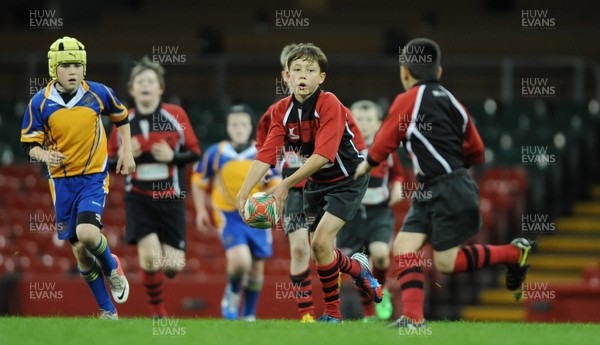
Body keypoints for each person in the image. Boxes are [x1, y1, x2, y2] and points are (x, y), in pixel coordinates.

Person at [354, 38, 532, 329]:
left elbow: (385, 139)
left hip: (446, 188)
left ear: (404, 73)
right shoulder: (453, 102)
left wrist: (366, 165)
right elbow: (477, 149)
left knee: (447, 264)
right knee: (404, 245)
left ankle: (514, 254)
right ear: (439, 72)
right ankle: (413, 320)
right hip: (442, 186)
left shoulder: (408, 99)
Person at [236, 43, 383, 323]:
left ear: (321, 77)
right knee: (318, 249)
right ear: (287, 77)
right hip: (314, 182)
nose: (303, 75)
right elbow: (266, 152)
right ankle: (358, 270)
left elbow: (324, 156)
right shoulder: (280, 111)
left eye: (310, 70)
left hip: (347, 179)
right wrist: (243, 193)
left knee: (320, 242)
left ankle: (332, 314)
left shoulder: (330, 104)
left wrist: (283, 185)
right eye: (297, 70)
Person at [20, 36, 134, 319]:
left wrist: (127, 152)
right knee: (81, 253)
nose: (73, 71)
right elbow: (29, 145)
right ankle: (108, 311)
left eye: (77, 65)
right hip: (61, 183)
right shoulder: (40, 102)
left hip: (93, 177)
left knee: (87, 234)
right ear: (54, 69)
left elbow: (121, 117)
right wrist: (44, 156)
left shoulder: (98, 93)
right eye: (66, 65)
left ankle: (112, 267)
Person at [107, 56, 201, 318]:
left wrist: (172, 157)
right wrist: (127, 156)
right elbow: (107, 162)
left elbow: (195, 152)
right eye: (140, 81)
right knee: (149, 258)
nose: (146, 85)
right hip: (138, 199)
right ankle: (158, 311)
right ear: (132, 89)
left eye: (151, 81)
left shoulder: (176, 115)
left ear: (160, 88)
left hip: (170, 200)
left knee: (172, 266)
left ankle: (165, 266)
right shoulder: (122, 121)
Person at [192, 105, 280, 321]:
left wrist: (269, 190)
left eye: (243, 124)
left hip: (258, 216)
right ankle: (232, 291)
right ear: (228, 127)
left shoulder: (263, 152)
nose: (239, 129)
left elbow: (277, 182)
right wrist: (201, 210)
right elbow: (198, 180)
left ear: (251, 127)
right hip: (228, 214)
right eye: (234, 124)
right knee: (241, 261)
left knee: (257, 268)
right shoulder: (216, 152)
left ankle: (249, 314)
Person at [337, 100, 404, 322]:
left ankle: (381, 291)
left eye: (368, 120)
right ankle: (368, 312)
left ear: (378, 124)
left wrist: (397, 187)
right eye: (358, 119)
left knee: (381, 257)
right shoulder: (343, 148)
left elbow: (397, 174)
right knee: (357, 265)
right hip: (352, 215)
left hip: (379, 213)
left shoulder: (386, 149)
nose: (363, 124)